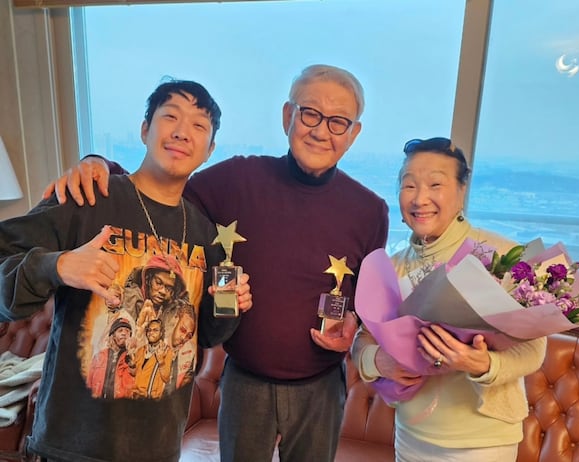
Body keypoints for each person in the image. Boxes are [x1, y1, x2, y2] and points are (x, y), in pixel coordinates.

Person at [43, 64, 389, 462]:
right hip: (244, 383)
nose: (321, 130)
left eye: (338, 121)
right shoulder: (237, 178)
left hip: (321, 387)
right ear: (287, 116)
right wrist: (101, 165)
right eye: (310, 113)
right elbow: (160, 187)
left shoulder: (371, 212)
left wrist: (353, 330)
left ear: (353, 133)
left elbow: (365, 310)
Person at [0, 79, 253, 462]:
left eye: (199, 125)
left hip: (159, 447)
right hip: (72, 445)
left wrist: (228, 306)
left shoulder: (205, 234)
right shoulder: (88, 198)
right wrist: (58, 265)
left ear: (209, 150)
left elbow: (207, 335)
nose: (182, 132)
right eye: (170, 116)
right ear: (144, 129)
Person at [351, 137, 547, 462]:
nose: (420, 198)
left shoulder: (501, 256)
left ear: (461, 190)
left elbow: (534, 349)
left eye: (435, 184)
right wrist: (376, 361)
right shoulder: (391, 266)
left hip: (482, 444)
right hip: (410, 436)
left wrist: (483, 364)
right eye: (409, 185)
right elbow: (363, 340)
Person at [87, 316, 135, 399]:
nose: (124, 333)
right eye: (120, 330)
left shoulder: (133, 358)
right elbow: (89, 382)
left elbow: (136, 377)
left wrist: (131, 355)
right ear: (113, 335)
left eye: (127, 331)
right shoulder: (99, 356)